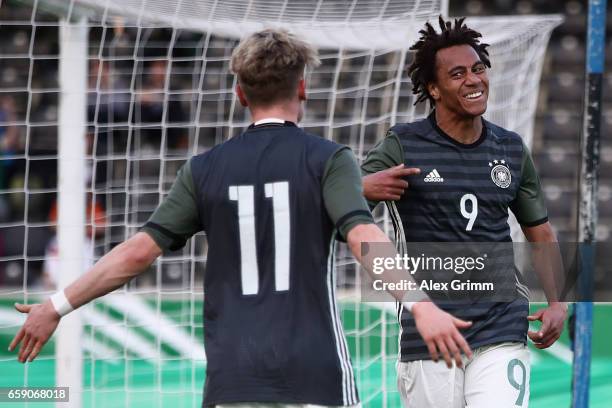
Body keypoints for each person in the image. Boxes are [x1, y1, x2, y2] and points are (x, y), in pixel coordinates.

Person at [10, 28, 471, 408]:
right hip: (313, 374)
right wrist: (421, 304)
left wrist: (56, 306)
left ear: (239, 94)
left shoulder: (204, 169)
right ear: (303, 88)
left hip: (233, 379)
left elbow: (135, 255)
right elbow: (363, 236)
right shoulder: (328, 160)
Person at [361, 17, 567, 408]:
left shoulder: (509, 148)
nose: (474, 80)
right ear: (434, 89)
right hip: (430, 331)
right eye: (458, 74)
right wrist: (361, 187)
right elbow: (347, 210)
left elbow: (539, 231)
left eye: (477, 69)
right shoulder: (402, 145)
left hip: (501, 324)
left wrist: (557, 302)